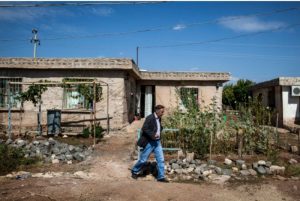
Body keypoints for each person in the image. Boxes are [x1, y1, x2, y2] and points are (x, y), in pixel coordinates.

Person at [131, 105, 169, 182]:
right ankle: (134, 171)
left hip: (157, 142)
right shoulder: (150, 118)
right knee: (143, 159)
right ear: (157, 111)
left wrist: (160, 129)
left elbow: (157, 126)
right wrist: (153, 135)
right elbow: (144, 128)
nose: (163, 113)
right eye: (162, 112)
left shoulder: (159, 118)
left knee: (161, 159)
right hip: (150, 142)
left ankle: (161, 177)